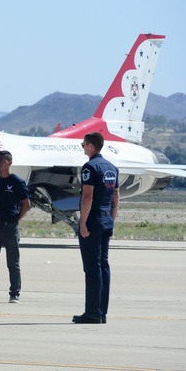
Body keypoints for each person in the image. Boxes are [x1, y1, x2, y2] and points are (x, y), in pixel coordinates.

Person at [74, 132, 119, 324]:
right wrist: (111, 220)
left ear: (91, 146)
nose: (83, 147)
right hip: (105, 219)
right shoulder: (112, 167)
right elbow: (116, 198)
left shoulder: (90, 167)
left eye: (83, 144)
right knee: (103, 266)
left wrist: (83, 222)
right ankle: (101, 312)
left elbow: (87, 196)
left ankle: (92, 312)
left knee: (92, 267)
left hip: (93, 220)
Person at [0, 150, 31, 303]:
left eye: (2, 160)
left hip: (10, 226)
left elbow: (26, 203)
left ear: (10, 163)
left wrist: (17, 219)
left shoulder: (17, 182)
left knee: (13, 262)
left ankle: (14, 293)